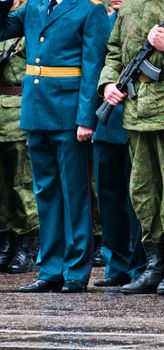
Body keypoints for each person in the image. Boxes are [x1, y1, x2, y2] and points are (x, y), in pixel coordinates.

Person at [98, 0, 164, 295]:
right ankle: (153, 266)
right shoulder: (130, 7)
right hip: (137, 114)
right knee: (143, 192)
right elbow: (113, 52)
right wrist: (108, 83)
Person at [0, 0, 109, 293]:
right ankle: (50, 268)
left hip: (69, 113)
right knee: (45, 192)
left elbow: (92, 66)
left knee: (74, 192)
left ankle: (75, 270)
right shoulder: (33, 7)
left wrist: (86, 118)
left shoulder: (89, 10)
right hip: (36, 111)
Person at [91, 0, 146, 287]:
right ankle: (116, 265)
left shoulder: (147, 14)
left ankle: (139, 265)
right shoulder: (99, 19)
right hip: (104, 120)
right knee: (108, 197)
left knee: (136, 198)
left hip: (136, 118)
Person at [0, 0, 39, 275]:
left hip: (18, 113)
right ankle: (5, 242)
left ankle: (26, 245)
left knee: (21, 183)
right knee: (2, 187)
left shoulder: (29, 21)